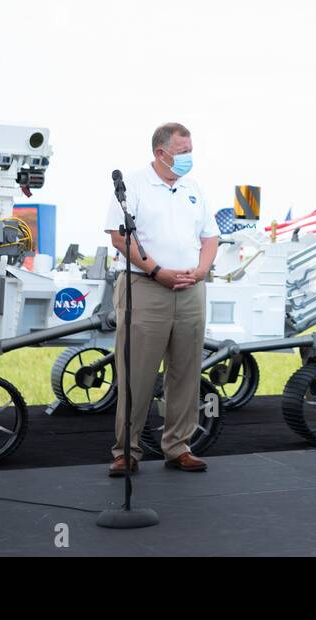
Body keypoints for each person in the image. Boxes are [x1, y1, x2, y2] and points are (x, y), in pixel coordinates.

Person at [104, 122, 219, 476]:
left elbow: (209, 236)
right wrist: (157, 271)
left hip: (190, 289)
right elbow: (120, 238)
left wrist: (200, 271)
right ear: (160, 152)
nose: (188, 158)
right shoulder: (135, 185)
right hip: (146, 286)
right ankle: (127, 450)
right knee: (137, 372)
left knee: (185, 372)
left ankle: (178, 446)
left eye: (190, 151)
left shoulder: (193, 187)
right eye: (182, 152)